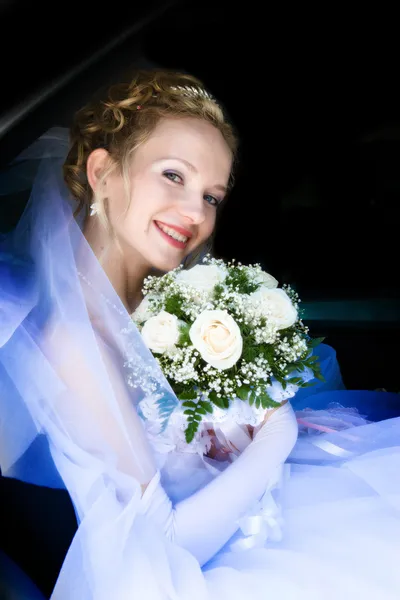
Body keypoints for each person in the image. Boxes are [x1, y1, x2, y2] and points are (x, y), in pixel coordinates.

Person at [0, 70, 399, 600]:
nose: (194, 214)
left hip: (248, 516)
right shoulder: (73, 344)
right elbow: (163, 544)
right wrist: (272, 443)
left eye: (212, 197)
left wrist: (231, 427)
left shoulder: (156, 301)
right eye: (173, 175)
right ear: (103, 172)